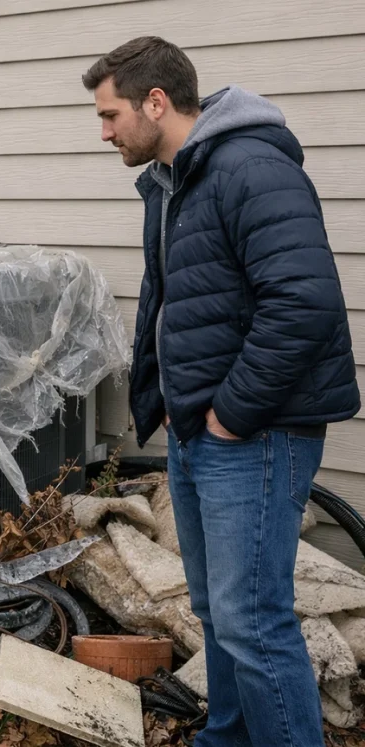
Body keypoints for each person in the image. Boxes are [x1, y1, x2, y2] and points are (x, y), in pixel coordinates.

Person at [82, 36, 359, 747]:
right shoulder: (176, 181)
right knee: (216, 608)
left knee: (252, 615)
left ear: (156, 101)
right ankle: (227, 736)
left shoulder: (250, 168)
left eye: (111, 114)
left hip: (256, 433)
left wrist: (231, 413)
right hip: (198, 432)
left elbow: (304, 304)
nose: (104, 130)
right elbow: (188, 304)